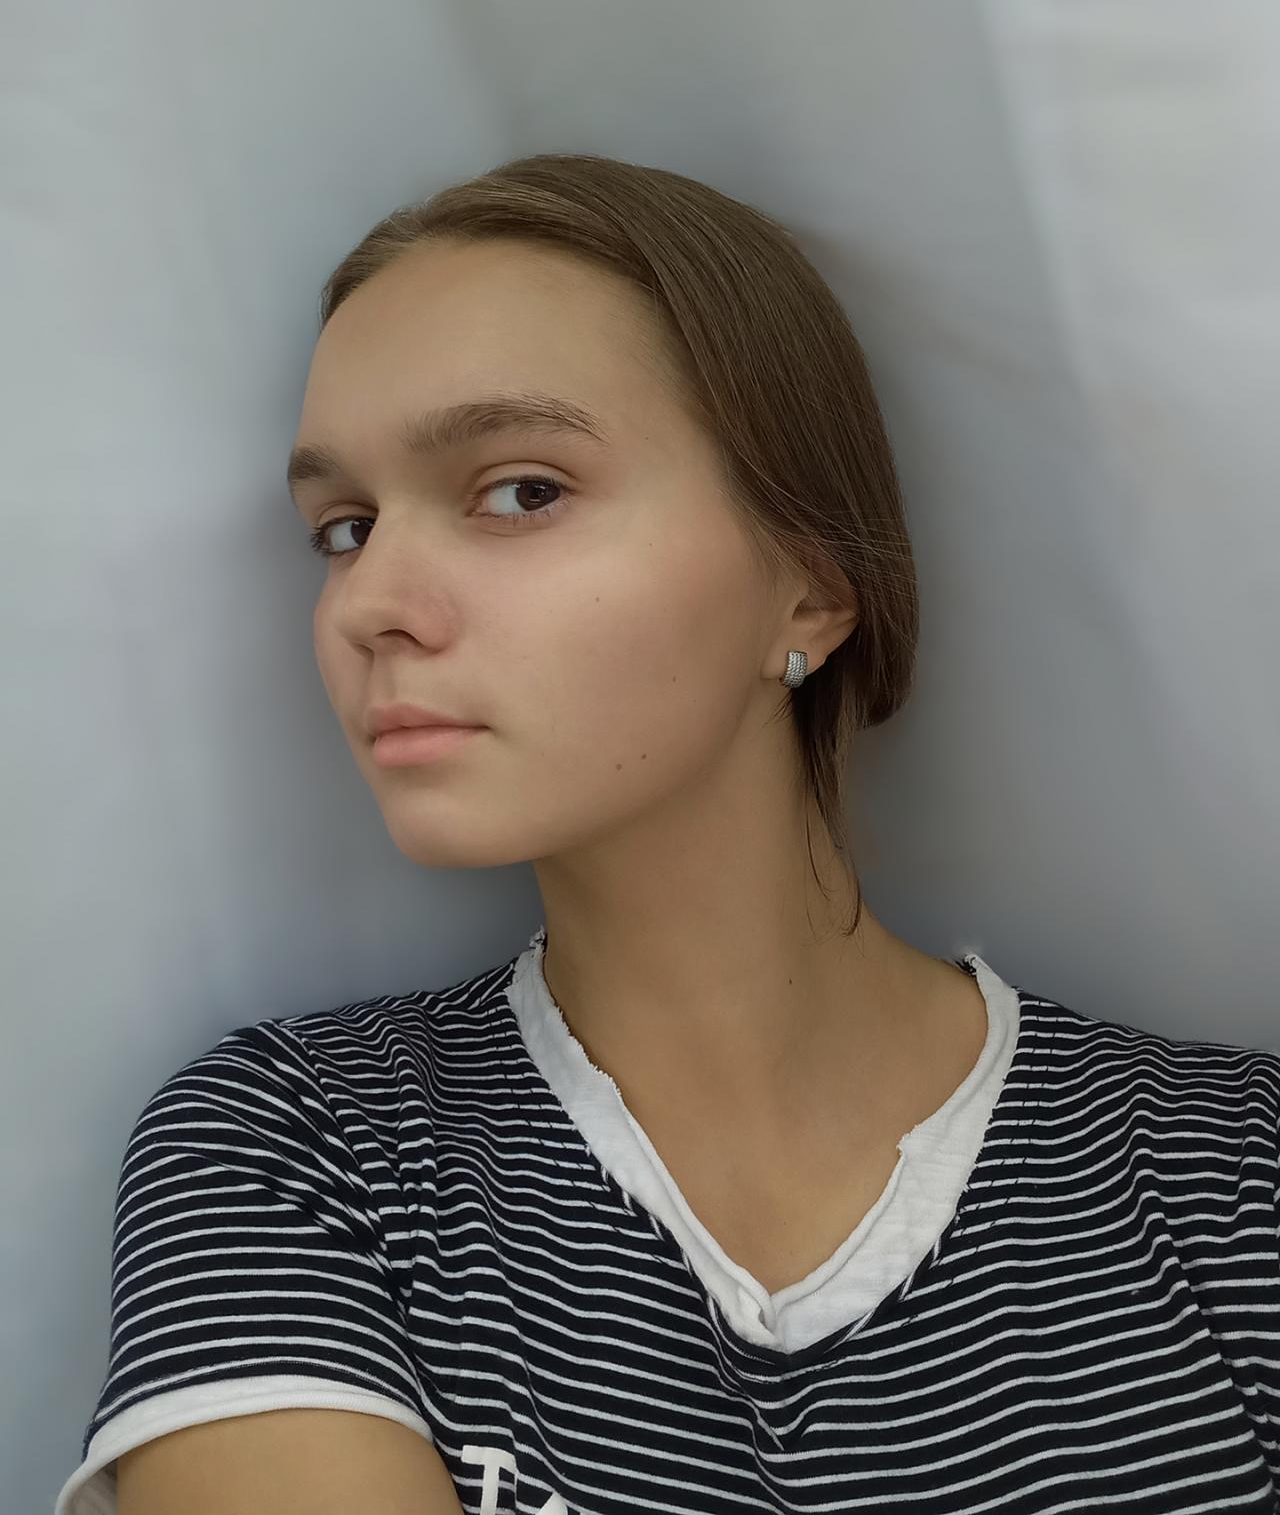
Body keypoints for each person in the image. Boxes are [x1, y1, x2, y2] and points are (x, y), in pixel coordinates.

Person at [59, 155, 1280, 1515]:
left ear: (810, 587)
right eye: (343, 528)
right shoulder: (295, 1149)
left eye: (522, 491)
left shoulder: (1235, 1178)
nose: (368, 604)